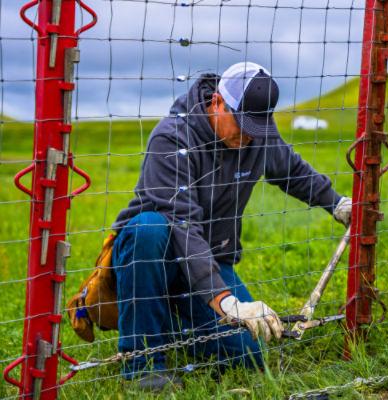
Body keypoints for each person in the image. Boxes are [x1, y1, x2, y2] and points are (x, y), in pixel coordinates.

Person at [111, 62, 352, 390]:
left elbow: (292, 171)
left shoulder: (256, 135)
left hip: (211, 259)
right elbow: (183, 225)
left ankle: (171, 322)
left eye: (257, 125)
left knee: (251, 353)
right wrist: (228, 303)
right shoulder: (172, 137)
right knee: (149, 228)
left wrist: (337, 204)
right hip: (157, 257)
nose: (248, 134)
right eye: (241, 123)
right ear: (217, 103)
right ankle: (143, 364)